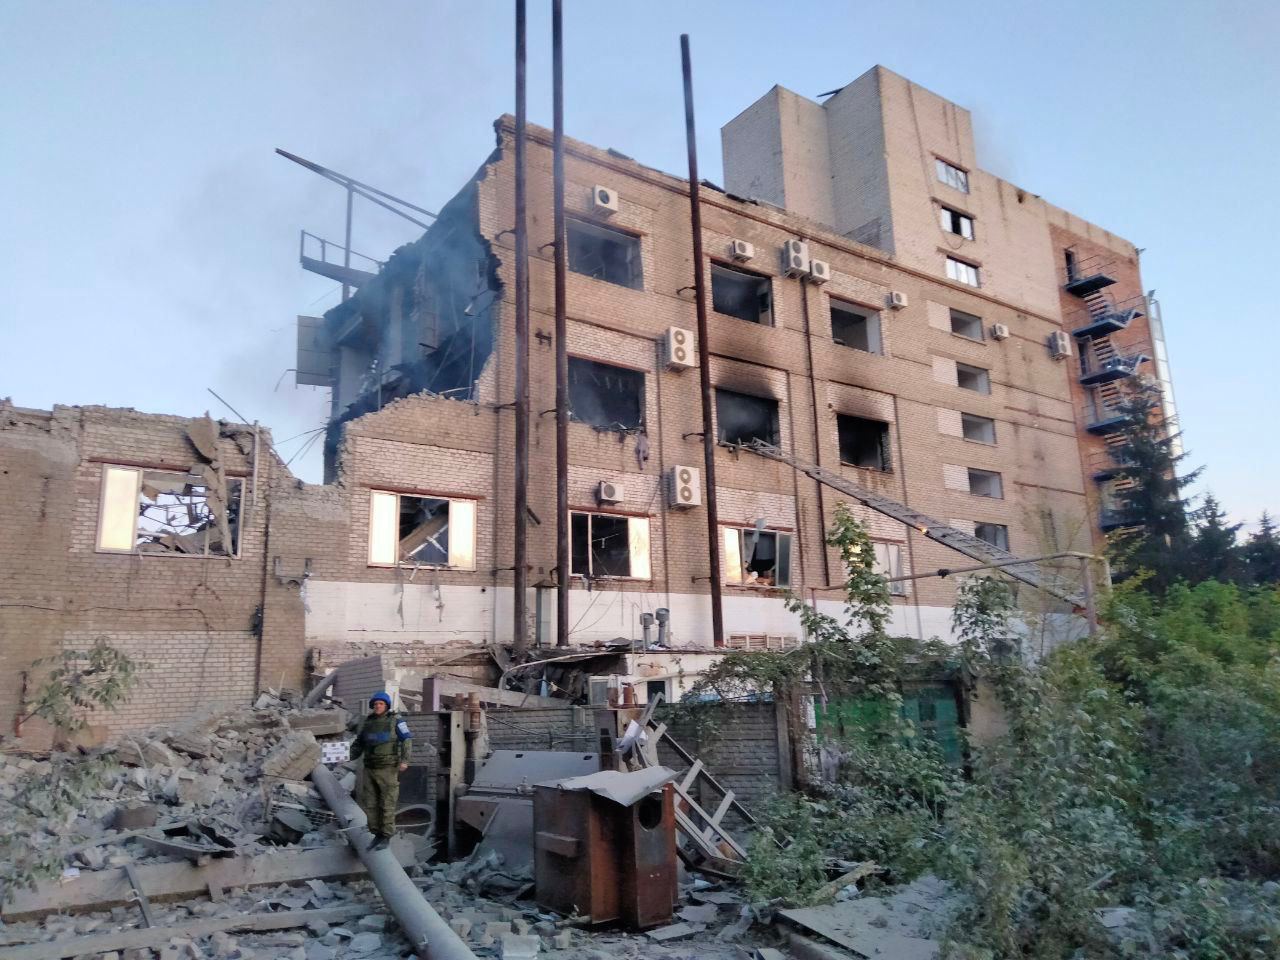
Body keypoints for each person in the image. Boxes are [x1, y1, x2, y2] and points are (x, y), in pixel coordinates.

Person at [348, 690, 412, 850]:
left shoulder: (396, 720)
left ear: (386, 706)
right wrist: (345, 756)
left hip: (387, 768)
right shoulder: (368, 723)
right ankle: (376, 833)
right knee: (370, 802)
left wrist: (405, 760)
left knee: (387, 802)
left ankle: (387, 835)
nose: (378, 706)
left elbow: (406, 740)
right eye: (375, 704)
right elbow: (358, 744)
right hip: (370, 768)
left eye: (381, 704)